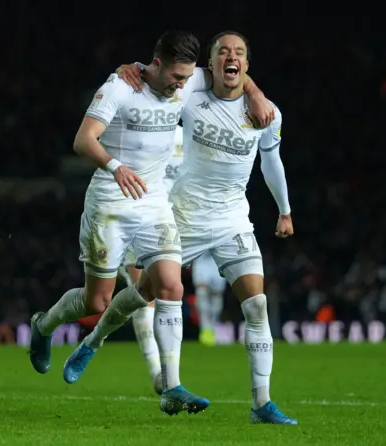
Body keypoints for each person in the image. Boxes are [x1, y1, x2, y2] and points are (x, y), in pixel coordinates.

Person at [29, 30, 273, 416]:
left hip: (155, 203)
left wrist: (256, 93)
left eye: (186, 78)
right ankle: (44, 325)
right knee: (97, 300)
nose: (182, 87)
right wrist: (115, 166)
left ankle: (171, 385)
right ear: (155, 65)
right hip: (110, 202)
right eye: (176, 78)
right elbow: (83, 139)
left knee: (170, 285)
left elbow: (231, 73)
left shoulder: (189, 77)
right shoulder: (120, 87)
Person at [86, 30, 297, 424]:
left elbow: (273, 163)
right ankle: (94, 339)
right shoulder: (190, 91)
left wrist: (284, 210)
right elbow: (156, 78)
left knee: (257, 305)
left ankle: (262, 403)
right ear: (210, 63)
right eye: (222, 52)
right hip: (182, 214)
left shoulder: (268, 113)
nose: (231, 58)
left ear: (247, 66)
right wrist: (127, 70)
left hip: (233, 218)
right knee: (145, 292)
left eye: (239, 54)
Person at [116, 126, 185, 395]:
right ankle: (158, 372)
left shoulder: (190, 134)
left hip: (171, 225)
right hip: (136, 218)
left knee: (161, 292)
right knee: (145, 295)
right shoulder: (139, 128)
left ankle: (165, 372)